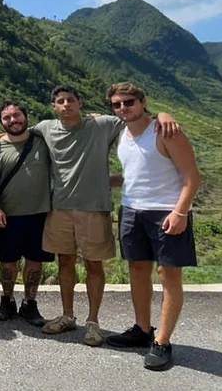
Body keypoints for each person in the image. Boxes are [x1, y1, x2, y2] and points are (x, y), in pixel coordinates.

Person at [31, 85, 177, 346]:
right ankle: (67, 315)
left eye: (71, 100)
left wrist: (162, 115)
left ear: (80, 102)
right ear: (54, 107)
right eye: (60, 101)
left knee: (93, 265)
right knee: (64, 263)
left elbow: (138, 120)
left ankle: (93, 322)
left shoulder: (102, 125)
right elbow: (18, 135)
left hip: (94, 209)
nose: (66, 105)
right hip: (60, 208)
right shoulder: (44, 128)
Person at [103, 83, 201, 370]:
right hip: (132, 210)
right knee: (138, 270)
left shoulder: (164, 130)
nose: (123, 108)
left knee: (168, 274)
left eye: (129, 102)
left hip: (166, 212)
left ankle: (163, 341)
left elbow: (193, 177)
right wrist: (103, 181)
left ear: (143, 102)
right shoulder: (123, 135)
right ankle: (142, 330)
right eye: (117, 104)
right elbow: (133, 174)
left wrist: (180, 212)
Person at [0, 100, 54, 327]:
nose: (13, 121)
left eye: (17, 115)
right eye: (7, 118)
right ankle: (7, 300)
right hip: (8, 215)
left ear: (26, 116)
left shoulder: (43, 142)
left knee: (35, 261)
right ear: (1, 122)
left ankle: (29, 303)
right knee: (8, 261)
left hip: (39, 213)